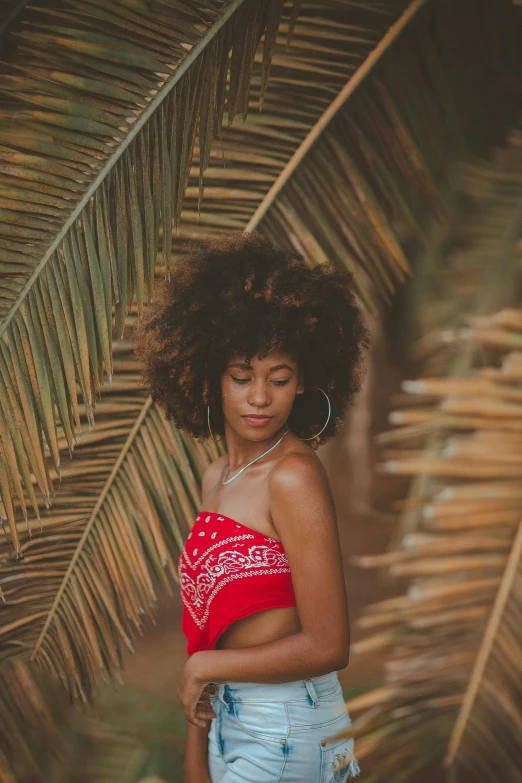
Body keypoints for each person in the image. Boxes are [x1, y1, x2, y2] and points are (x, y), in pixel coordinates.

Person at [134, 231, 370, 783]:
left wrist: (205, 668)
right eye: (242, 378)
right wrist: (197, 753)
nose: (260, 398)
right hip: (228, 723)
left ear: (305, 380)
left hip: (290, 726)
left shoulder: (294, 477)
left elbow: (330, 644)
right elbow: (205, 630)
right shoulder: (216, 476)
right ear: (209, 376)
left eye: (279, 379)